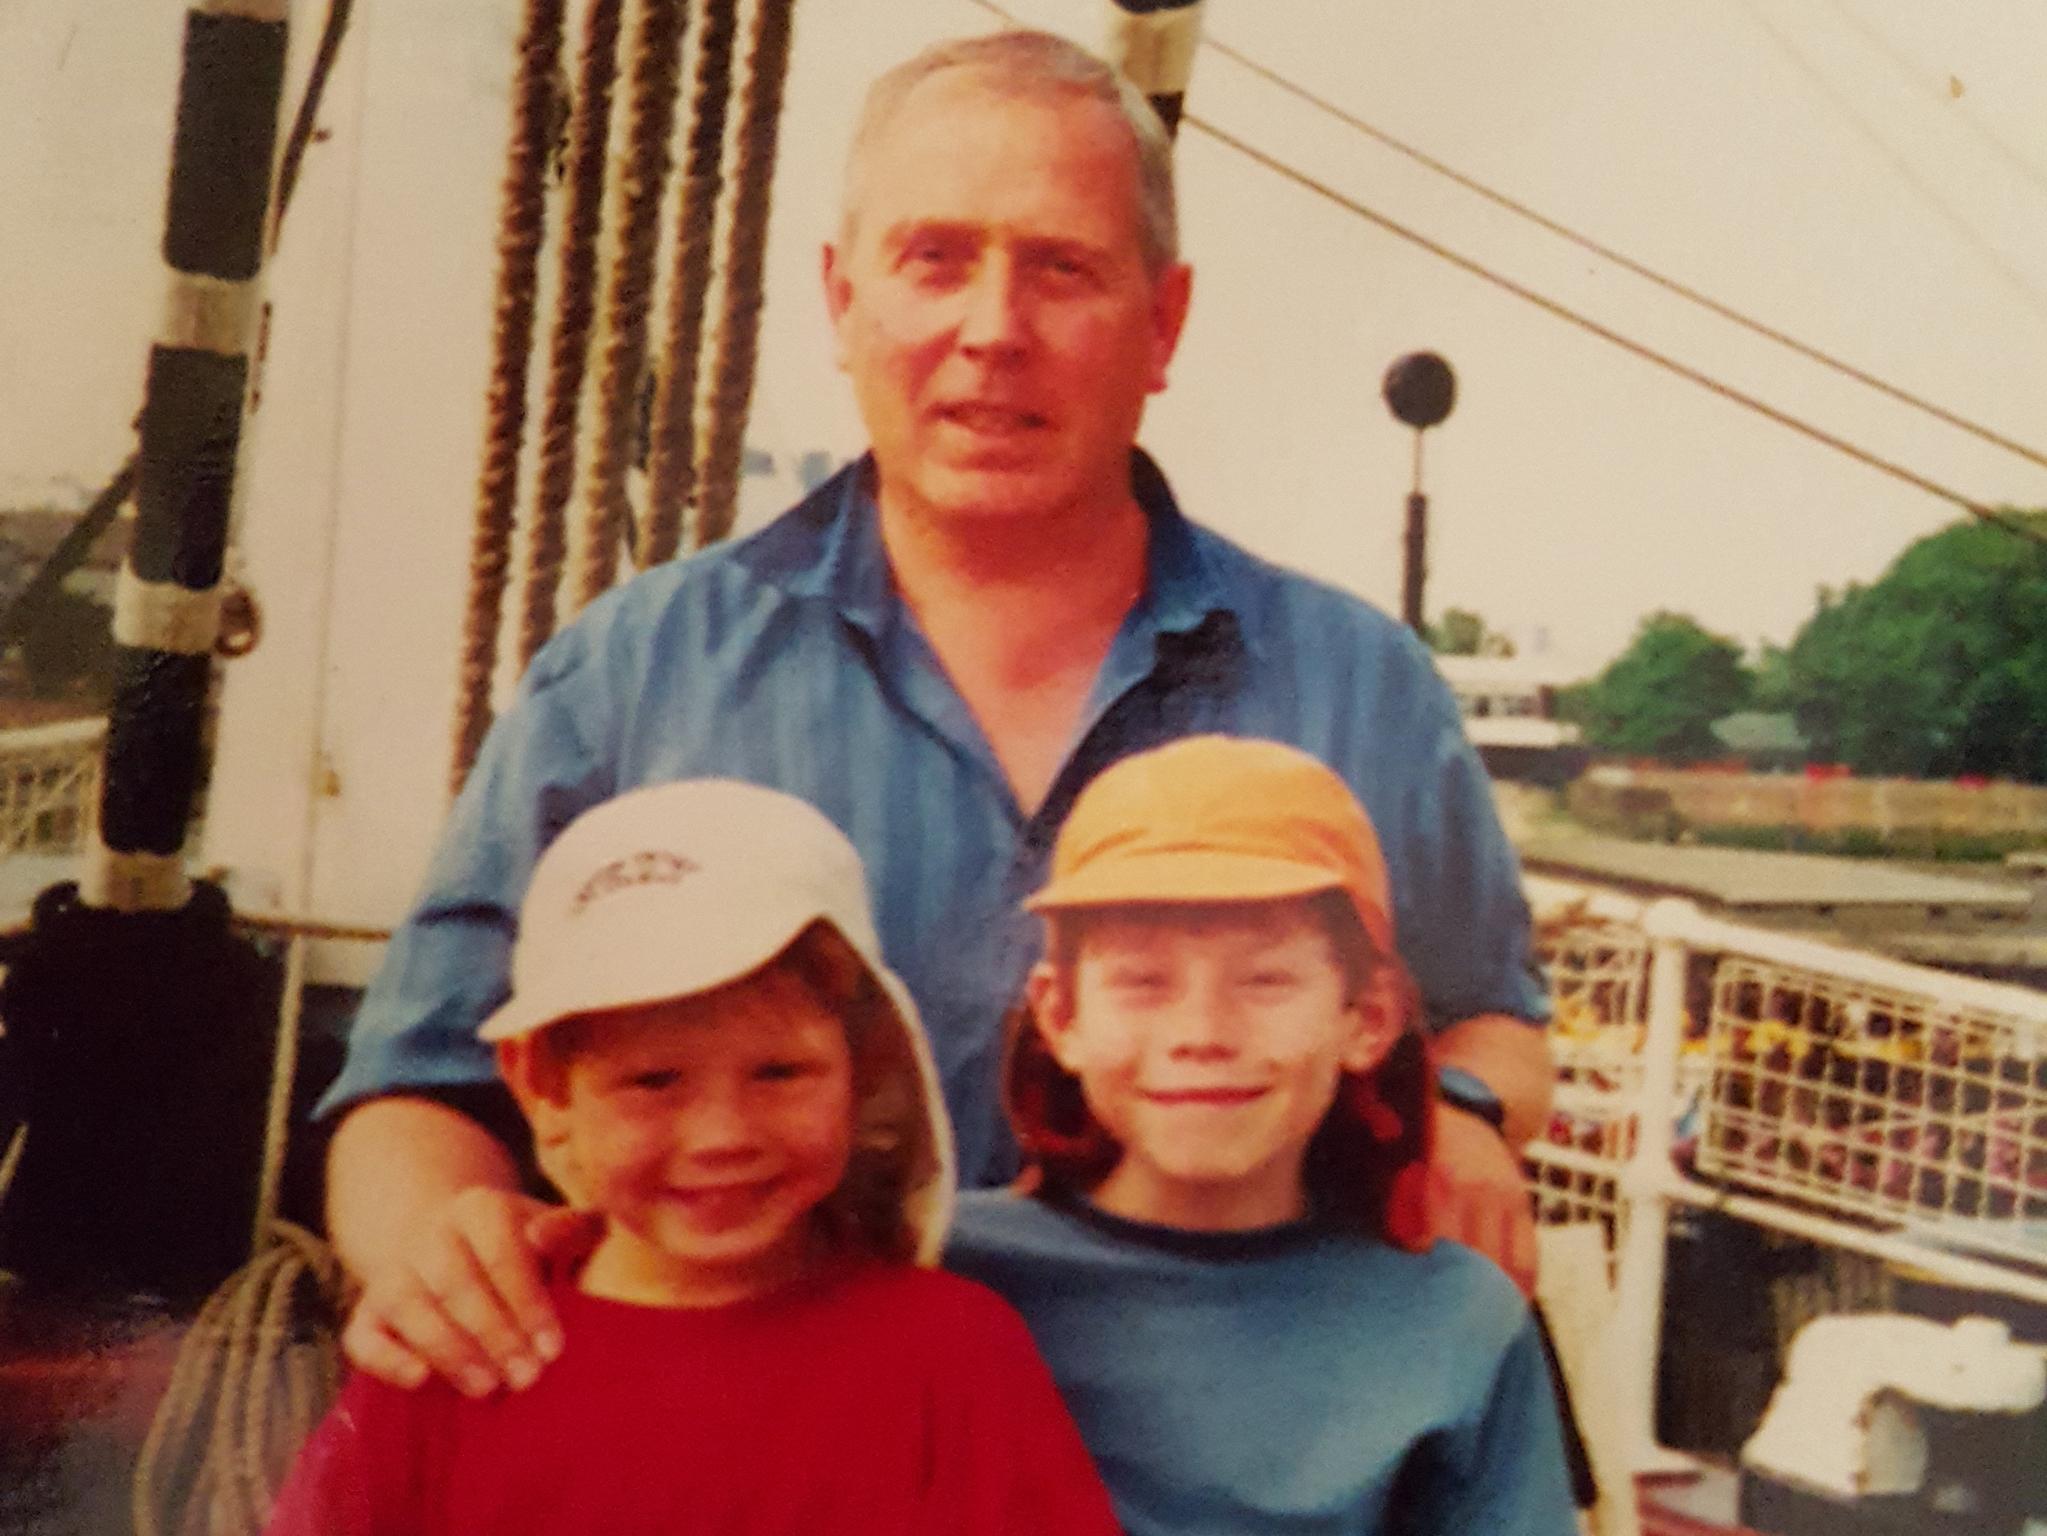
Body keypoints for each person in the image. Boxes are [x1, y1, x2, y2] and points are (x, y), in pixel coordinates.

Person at [321, 28, 1553, 1396]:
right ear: (843, 301)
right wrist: (437, 1243)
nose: (993, 329)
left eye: (1063, 268)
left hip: (1218, 1462)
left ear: (1165, 323)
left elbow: (1488, 1017)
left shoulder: (1359, 687)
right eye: (935, 260)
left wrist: (1471, 1117)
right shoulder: (629, 679)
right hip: (759, 1458)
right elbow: (415, 1093)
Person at [267, 779, 1121, 1535]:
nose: (722, 1136)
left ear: (867, 1066)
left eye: (780, 1072)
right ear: (540, 1088)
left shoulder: (955, 1355)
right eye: (654, 1081)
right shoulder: (454, 1350)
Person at [947, 736, 1578, 1534]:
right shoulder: (948, 1275)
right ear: (1061, 1015)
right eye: (1142, 982)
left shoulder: (1455, 1320)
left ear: (1368, 1017)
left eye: (1267, 980)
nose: (1203, 1032)